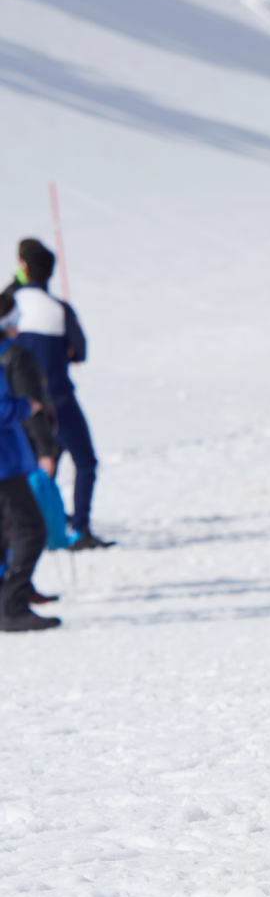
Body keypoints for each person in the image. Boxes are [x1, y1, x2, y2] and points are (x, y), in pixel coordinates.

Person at [11, 239, 108, 549]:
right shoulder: (58, 309)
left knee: (35, 467)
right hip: (60, 401)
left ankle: (33, 531)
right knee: (85, 463)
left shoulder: (9, 303)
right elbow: (80, 351)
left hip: (20, 406)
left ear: (23, 268)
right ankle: (79, 529)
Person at [0, 293, 57, 631]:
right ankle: (13, 605)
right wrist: (27, 408)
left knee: (7, 529)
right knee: (30, 528)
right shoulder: (12, 357)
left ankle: (10, 597)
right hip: (5, 462)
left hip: (9, 458)